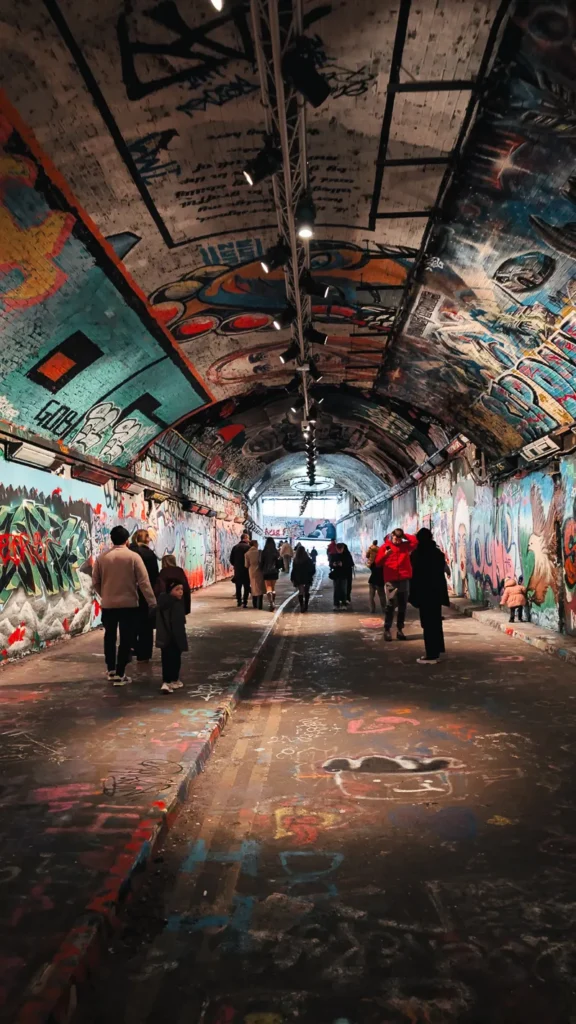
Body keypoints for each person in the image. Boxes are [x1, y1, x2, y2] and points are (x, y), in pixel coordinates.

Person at [93, 525, 156, 685]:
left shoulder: (102, 558)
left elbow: (96, 582)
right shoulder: (133, 557)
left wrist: (105, 595)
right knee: (126, 638)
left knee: (109, 637)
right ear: (127, 540)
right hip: (129, 605)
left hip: (108, 605)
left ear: (111, 539)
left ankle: (111, 670)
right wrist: (152, 602)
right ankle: (121, 673)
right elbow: (144, 582)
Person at [409, 527, 450, 665]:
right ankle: (437, 651)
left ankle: (431, 654)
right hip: (436, 593)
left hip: (424, 593)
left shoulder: (416, 554)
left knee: (427, 624)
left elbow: (414, 575)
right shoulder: (438, 553)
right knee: (436, 622)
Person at [375, 527, 418, 641]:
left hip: (404, 579)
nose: (397, 541)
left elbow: (415, 542)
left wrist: (405, 536)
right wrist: (385, 555)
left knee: (403, 605)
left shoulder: (405, 546)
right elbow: (378, 563)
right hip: (391, 580)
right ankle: (387, 629)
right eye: (395, 538)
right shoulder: (385, 547)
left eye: (399, 539)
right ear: (391, 536)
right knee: (391, 605)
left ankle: (400, 629)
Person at [128, 529, 159, 664]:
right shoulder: (149, 554)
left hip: (128, 593)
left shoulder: (129, 553)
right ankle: (144, 654)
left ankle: (130, 647)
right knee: (146, 626)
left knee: (130, 624)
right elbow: (153, 577)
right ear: (146, 539)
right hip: (145, 594)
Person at [155, 579, 188, 693]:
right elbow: (178, 625)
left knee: (166, 660)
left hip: (163, 637)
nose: (180, 592)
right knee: (175, 659)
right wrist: (182, 642)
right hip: (174, 638)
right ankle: (174, 680)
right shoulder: (176, 605)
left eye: (181, 589)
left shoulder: (161, 603)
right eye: (177, 589)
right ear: (170, 591)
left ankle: (166, 681)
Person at [290, 545, 315, 612]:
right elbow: (313, 569)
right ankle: (306, 605)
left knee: (300, 592)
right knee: (307, 592)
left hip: (299, 578)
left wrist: (292, 578)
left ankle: (301, 606)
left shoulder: (295, 560)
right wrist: (311, 575)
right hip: (307, 577)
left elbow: (294, 570)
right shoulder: (308, 560)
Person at [259, 538, 282, 610]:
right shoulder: (276, 552)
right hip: (274, 572)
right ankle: (273, 602)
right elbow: (278, 563)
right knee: (273, 587)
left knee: (268, 587)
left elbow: (261, 562)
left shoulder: (264, 552)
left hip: (266, 572)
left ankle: (271, 602)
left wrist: (261, 569)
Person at [330, 542, 354, 609]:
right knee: (336, 590)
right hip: (336, 575)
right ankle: (336, 604)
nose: (339, 550)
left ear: (343, 548)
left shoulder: (347, 555)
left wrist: (343, 564)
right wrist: (333, 564)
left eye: (341, 549)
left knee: (344, 590)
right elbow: (330, 563)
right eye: (338, 549)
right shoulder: (334, 555)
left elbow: (351, 564)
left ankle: (344, 603)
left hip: (344, 575)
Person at [230, 533, 251, 607]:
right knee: (246, 587)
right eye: (248, 538)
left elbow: (231, 559)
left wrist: (236, 565)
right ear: (245, 538)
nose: (249, 540)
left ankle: (239, 601)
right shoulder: (248, 547)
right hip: (246, 570)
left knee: (238, 586)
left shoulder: (235, 547)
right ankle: (245, 602)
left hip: (238, 570)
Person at [245, 540, 265, 609]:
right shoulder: (260, 552)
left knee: (253, 587)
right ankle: (260, 605)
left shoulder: (247, 553)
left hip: (252, 571)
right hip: (260, 570)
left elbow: (246, 565)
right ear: (255, 544)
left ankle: (255, 604)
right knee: (260, 587)